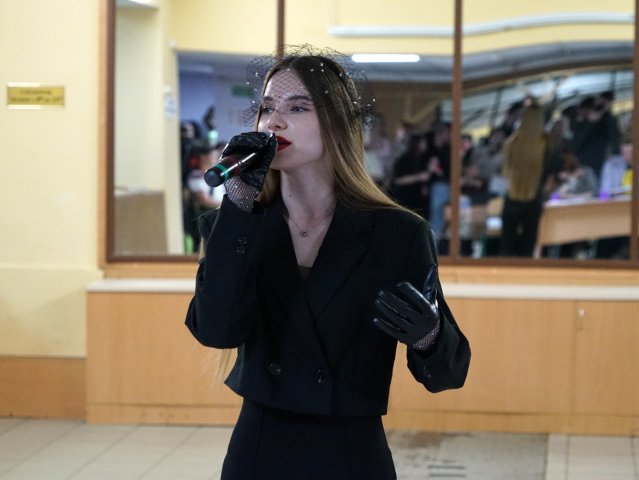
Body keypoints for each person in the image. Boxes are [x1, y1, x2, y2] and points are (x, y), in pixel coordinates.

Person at [184, 45, 470, 480]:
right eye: (267, 108)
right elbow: (215, 331)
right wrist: (237, 205)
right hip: (260, 449)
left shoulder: (397, 234)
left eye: (297, 107)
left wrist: (429, 336)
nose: (274, 122)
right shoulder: (238, 225)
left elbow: (448, 374)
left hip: (351, 452)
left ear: (337, 123)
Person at [500, 103, 547, 257]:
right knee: (528, 246)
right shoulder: (546, 144)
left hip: (512, 196)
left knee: (507, 246)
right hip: (534, 197)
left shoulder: (510, 144)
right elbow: (550, 172)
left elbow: (505, 173)